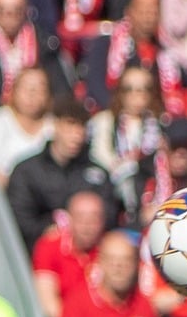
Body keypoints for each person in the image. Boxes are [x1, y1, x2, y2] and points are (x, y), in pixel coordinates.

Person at [7, 95, 117, 250]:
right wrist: (51, 227)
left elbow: (109, 216)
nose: (76, 134)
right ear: (55, 125)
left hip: (86, 257)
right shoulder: (26, 171)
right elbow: (19, 220)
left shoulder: (98, 174)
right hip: (37, 254)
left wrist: (79, 228)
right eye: (70, 125)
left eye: (81, 127)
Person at [88, 65, 166, 218]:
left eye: (144, 89)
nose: (136, 95)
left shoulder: (160, 124)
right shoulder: (104, 121)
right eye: (128, 89)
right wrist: (126, 165)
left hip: (150, 195)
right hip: (113, 195)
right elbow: (100, 156)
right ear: (120, 92)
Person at [30, 189, 108, 317]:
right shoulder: (49, 246)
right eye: (80, 218)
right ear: (69, 219)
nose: (87, 225)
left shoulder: (110, 249)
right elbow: (48, 302)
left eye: (94, 219)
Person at [0, 66, 56, 186]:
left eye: (39, 89)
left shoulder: (53, 127)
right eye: (26, 87)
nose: (31, 94)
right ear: (14, 90)